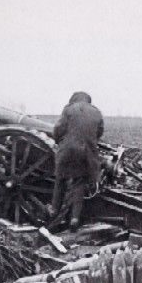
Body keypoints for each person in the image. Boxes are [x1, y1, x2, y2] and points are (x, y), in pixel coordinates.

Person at [50, 91, 104, 231]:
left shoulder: (69, 109)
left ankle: (53, 210)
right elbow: (99, 132)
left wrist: (57, 140)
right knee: (79, 183)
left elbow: (58, 128)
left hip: (68, 150)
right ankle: (74, 218)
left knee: (60, 179)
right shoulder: (96, 112)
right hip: (86, 152)